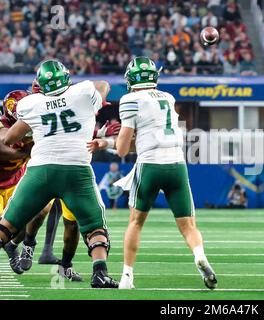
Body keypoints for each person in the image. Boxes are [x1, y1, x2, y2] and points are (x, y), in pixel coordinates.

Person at [88, 56, 217, 290]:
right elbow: (147, 136)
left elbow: (125, 148)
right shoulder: (168, 98)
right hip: (177, 163)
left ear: (132, 78)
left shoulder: (130, 99)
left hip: (150, 165)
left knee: (136, 222)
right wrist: (107, 143)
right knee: (188, 225)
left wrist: (106, 141)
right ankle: (199, 255)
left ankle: (127, 277)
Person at [0, 59, 118, 288]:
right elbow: (103, 84)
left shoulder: (32, 103)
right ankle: (99, 273)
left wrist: (33, 132)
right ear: (65, 77)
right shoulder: (83, 92)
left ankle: (30, 248)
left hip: (40, 170)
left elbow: (9, 138)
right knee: (95, 226)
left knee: (7, 226)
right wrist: (99, 101)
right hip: (76, 170)